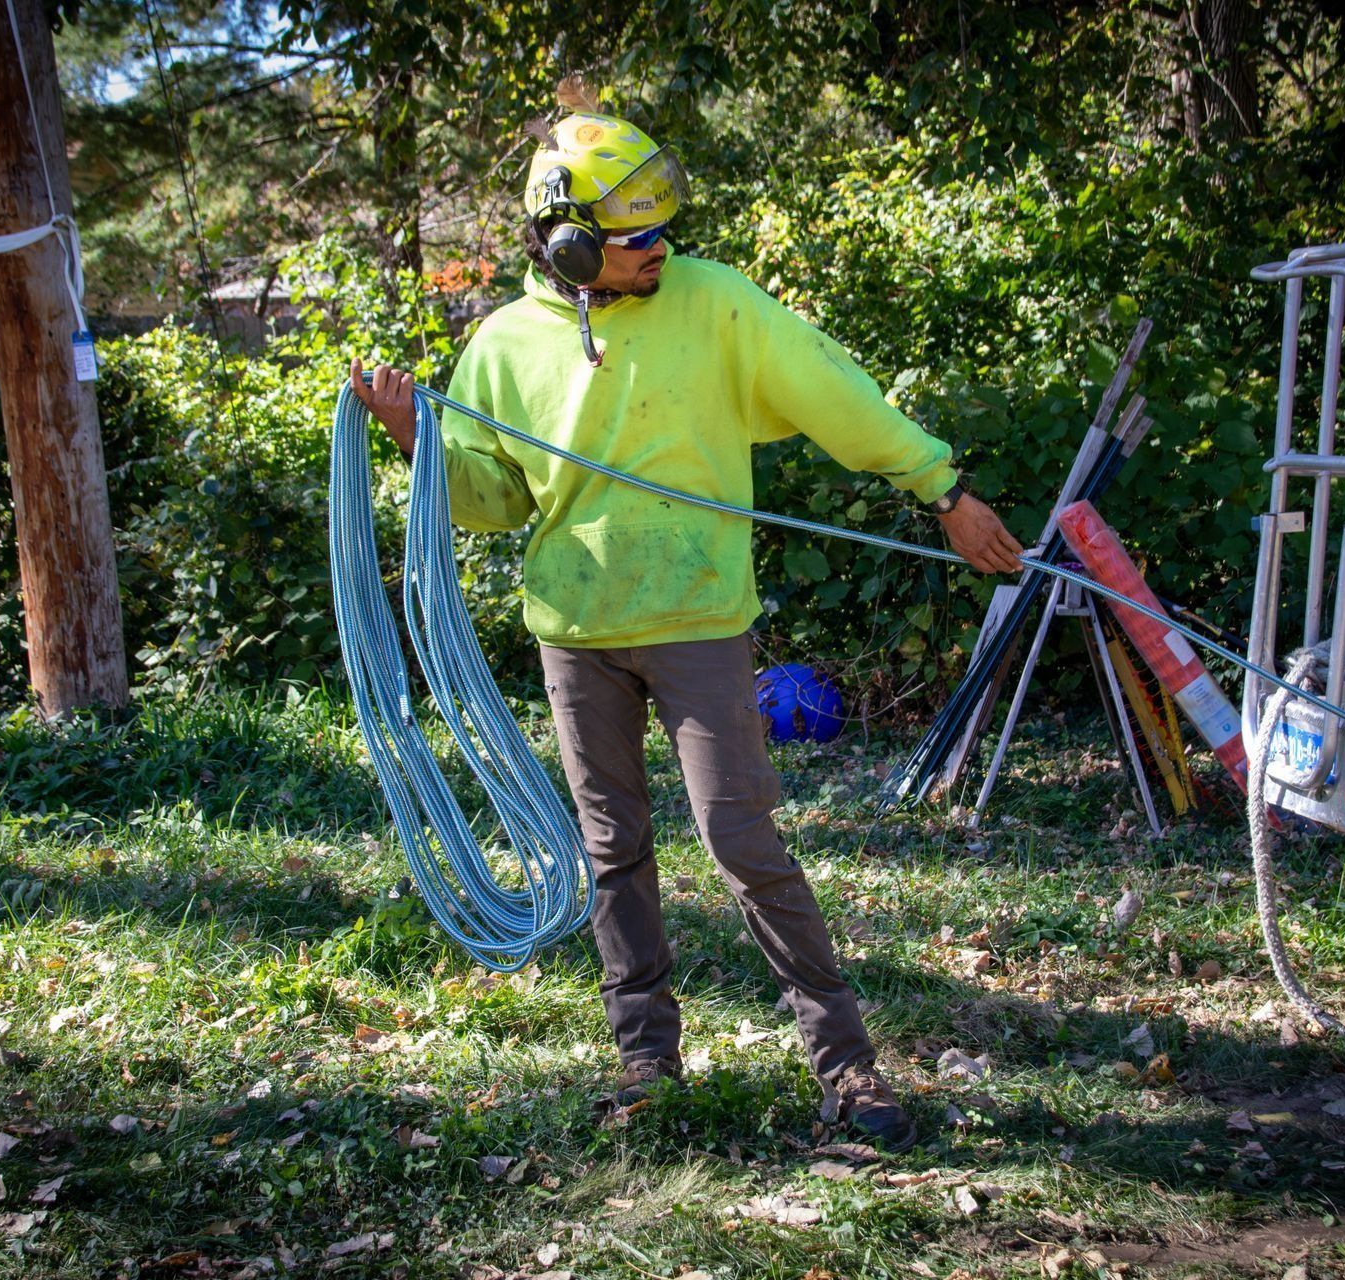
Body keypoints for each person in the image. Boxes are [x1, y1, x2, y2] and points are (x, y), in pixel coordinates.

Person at [349, 89, 1023, 1153]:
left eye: (664, 228)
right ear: (569, 246)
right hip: (576, 634)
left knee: (742, 837)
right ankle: (645, 1059)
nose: (661, 247)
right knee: (613, 849)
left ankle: (845, 1063)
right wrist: (412, 437)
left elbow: (836, 392)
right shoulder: (502, 347)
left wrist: (941, 487)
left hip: (701, 621)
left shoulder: (713, 301)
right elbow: (491, 500)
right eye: (635, 236)